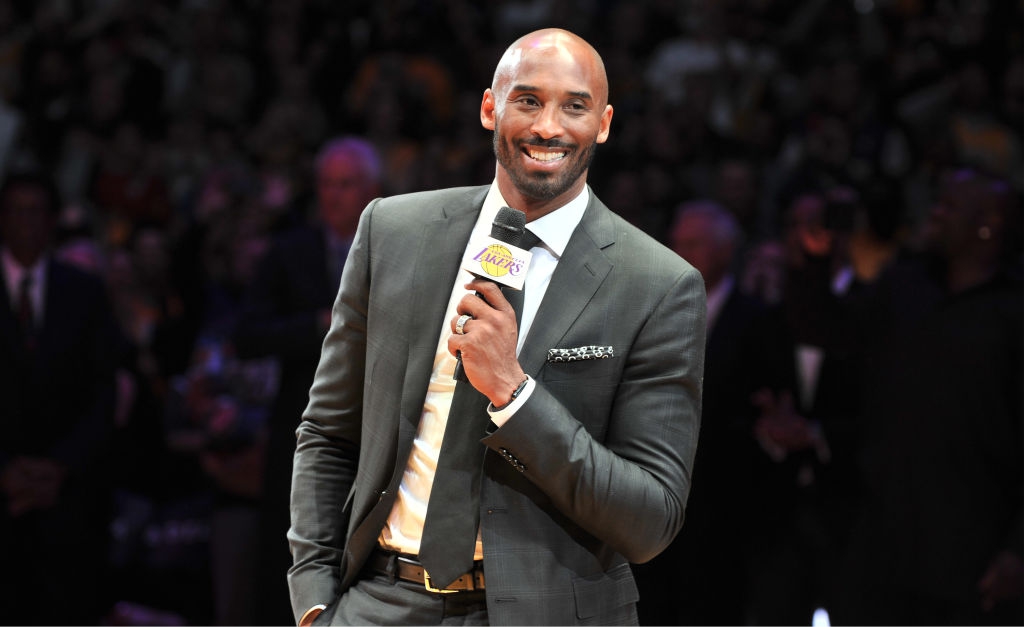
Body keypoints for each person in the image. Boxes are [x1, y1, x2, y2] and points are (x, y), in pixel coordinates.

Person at [288, 28, 706, 626]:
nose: (548, 127)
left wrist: (514, 394)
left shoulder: (657, 284)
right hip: (378, 603)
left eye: (575, 106)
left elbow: (650, 520)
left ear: (604, 123)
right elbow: (328, 432)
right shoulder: (392, 232)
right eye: (528, 101)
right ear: (490, 107)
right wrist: (313, 599)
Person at [788, 167, 1023, 625]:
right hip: (884, 536)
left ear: (987, 223)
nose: (933, 214)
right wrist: (816, 262)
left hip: (973, 548)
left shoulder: (1013, 309)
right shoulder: (904, 286)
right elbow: (828, 329)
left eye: (948, 206)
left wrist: (1018, 549)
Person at [232, 135, 383, 625]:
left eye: (346, 184)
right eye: (326, 184)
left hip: (375, 431)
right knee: (291, 557)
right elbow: (247, 334)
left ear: (372, 189)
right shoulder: (289, 251)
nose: (333, 195)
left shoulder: (396, 248)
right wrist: (318, 324)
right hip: (299, 428)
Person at [634, 200, 789, 625]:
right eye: (677, 243)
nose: (681, 253)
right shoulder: (651, 311)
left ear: (725, 250)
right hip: (655, 500)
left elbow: (765, 408)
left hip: (725, 504)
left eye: (694, 244)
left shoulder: (759, 320)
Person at [0, 170, 121, 624]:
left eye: (36, 212)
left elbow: (103, 390)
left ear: (52, 220)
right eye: (16, 212)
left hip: (68, 500)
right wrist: (5, 469)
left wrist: (59, 467)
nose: (26, 222)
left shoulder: (83, 290)